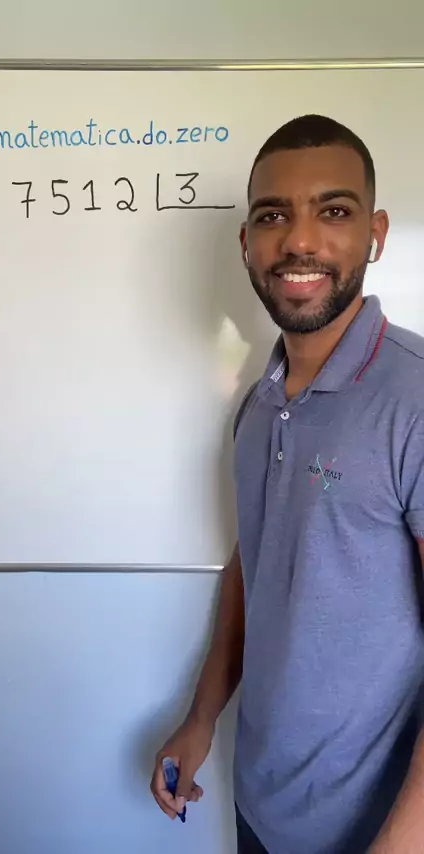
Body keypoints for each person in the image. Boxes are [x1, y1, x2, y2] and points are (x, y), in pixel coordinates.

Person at [150, 114, 424, 853]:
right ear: (247, 242)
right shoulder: (259, 404)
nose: (300, 241)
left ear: (375, 233)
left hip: (373, 832)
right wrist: (201, 718)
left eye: (333, 211)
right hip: (261, 810)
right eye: (274, 216)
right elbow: (256, 563)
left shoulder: (415, 400)